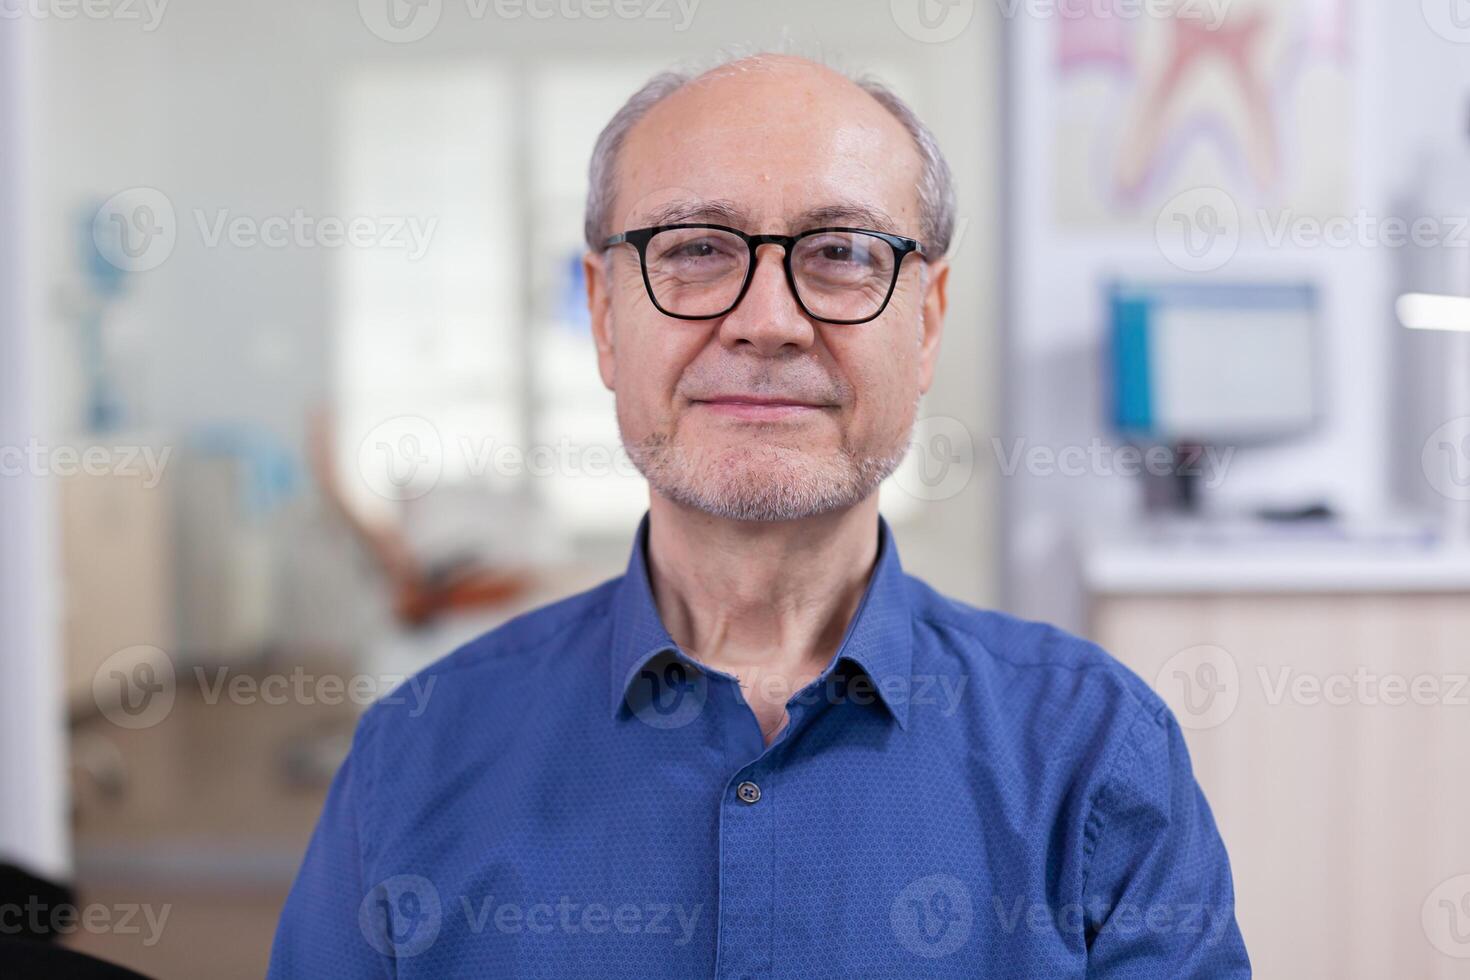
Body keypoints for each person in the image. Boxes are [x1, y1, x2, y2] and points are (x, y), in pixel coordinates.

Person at [269, 53, 1249, 977]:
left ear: (927, 323)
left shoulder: (1098, 756)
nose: (768, 319)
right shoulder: (416, 756)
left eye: (842, 252)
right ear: (604, 315)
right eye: (695, 248)